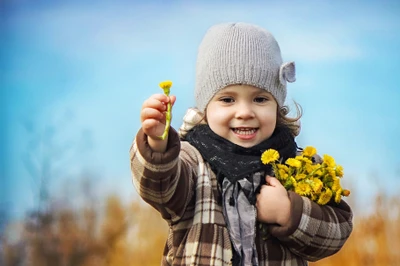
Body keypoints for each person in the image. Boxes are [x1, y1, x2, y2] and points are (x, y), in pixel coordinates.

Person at [130, 22, 353, 266]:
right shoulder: (192, 160)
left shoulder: (297, 164)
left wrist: (290, 213)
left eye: (260, 99)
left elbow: (337, 231)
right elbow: (160, 189)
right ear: (206, 108)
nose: (244, 112)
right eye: (227, 99)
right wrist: (157, 144)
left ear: (277, 105)